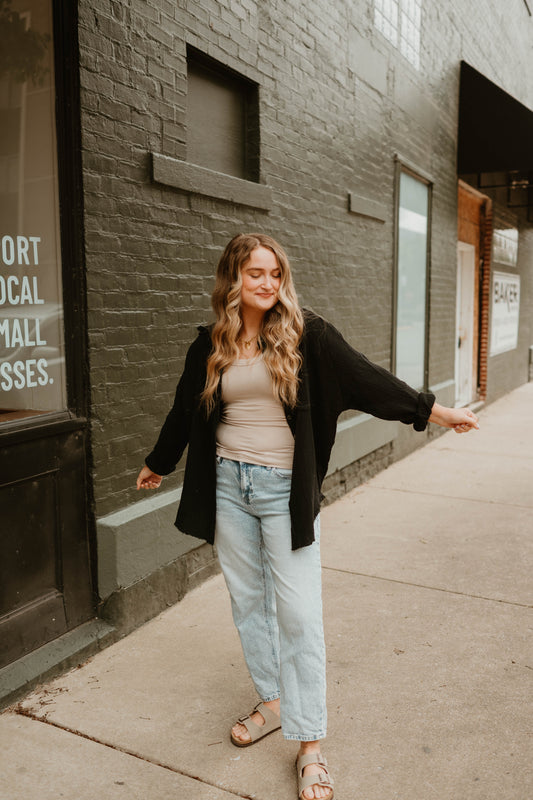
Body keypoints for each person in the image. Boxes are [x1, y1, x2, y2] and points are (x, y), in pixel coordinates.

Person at [136, 233, 479, 800]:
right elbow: (183, 408)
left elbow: (368, 380)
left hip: (282, 492)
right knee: (249, 604)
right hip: (228, 486)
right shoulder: (211, 343)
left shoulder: (307, 335)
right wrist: (158, 462)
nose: (267, 283)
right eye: (255, 273)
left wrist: (434, 411)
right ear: (233, 280)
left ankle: (310, 744)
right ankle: (273, 702)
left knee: (298, 614)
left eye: (275, 273)